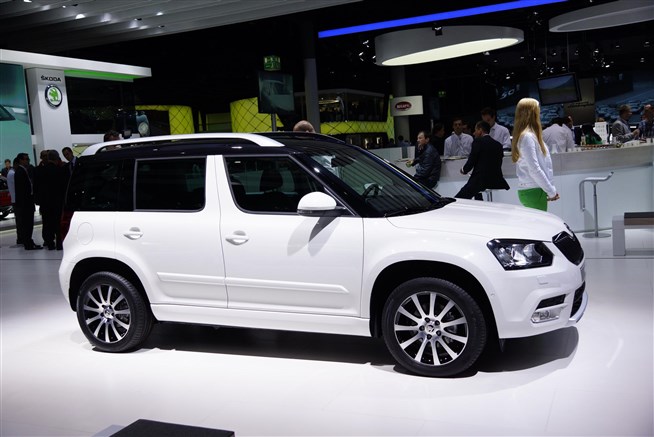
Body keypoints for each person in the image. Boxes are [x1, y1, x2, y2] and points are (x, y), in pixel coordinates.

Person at [511, 98, 559, 211]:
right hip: (533, 190)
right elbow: (534, 169)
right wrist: (551, 191)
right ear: (532, 113)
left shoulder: (529, 136)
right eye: (538, 111)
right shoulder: (527, 137)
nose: (540, 114)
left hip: (534, 190)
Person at [455, 121, 509, 200]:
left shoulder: (478, 142)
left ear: (480, 130)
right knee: (476, 191)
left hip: (481, 180)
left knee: (458, 199)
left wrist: (463, 170)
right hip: (497, 180)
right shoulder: (498, 145)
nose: (474, 133)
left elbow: (471, 161)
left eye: (476, 130)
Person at [34, 150, 68, 250]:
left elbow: (36, 187)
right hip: (57, 201)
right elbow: (64, 187)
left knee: (47, 222)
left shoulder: (39, 171)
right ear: (57, 158)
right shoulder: (60, 170)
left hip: (45, 202)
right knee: (58, 222)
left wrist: (38, 200)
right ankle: (59, 243)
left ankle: (49, 243)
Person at [13, 152, 42, 250]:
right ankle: (28, 243)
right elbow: (22, 190)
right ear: (21, 160)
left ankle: (29, 241)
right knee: (27, 224)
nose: (28, 161)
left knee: (28, 224)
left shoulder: (23, 170)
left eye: (28, 159)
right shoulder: (20, 171)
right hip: (25, 204)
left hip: (26, 203)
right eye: (26, 159)